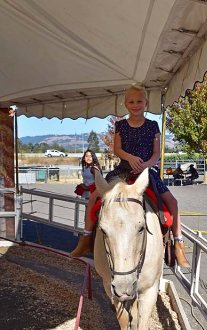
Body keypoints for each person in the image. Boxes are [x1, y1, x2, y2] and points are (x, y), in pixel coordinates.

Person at [70, 84, 190, 268]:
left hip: (146, 171)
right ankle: (86, 237)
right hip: (123, 170)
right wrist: (131, 158)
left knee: (172, 202)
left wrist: (146, 165)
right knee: (94, 197)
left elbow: (156, 153)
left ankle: (178, 243)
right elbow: (117, 149)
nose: (135, 105)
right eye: (131, 101)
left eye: (139, 101)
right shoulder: (121, 125)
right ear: (126, 104)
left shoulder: (152, 125)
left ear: (146, 103)